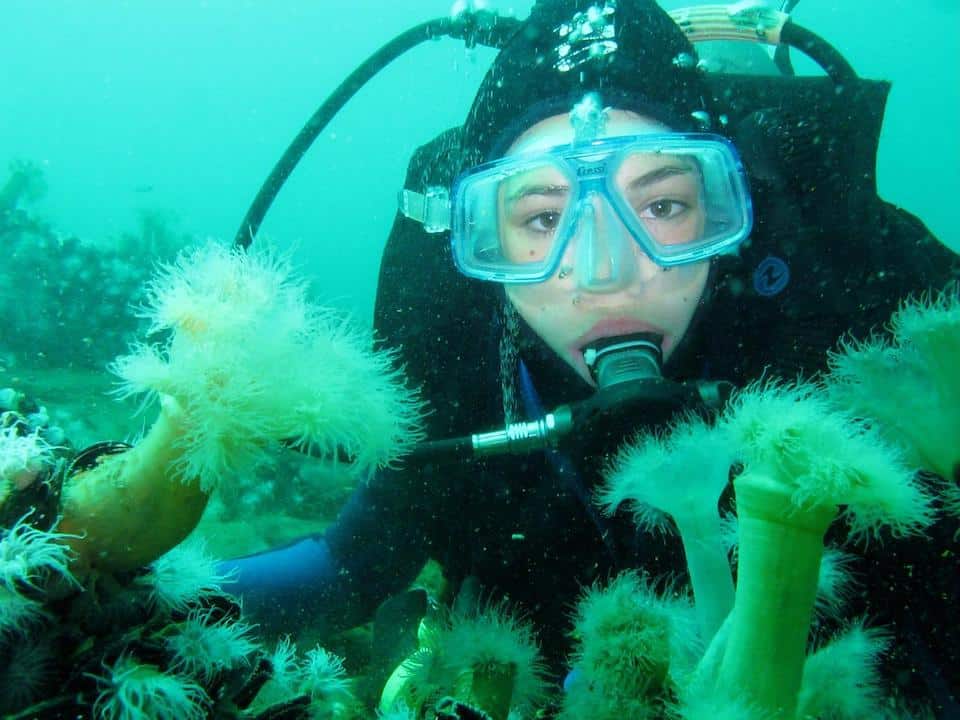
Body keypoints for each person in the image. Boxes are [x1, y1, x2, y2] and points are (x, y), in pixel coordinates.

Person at [228, 0, 959, 713]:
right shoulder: (460, 362)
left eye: (663, 206)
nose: (606, 270)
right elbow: (350, 564)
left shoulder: (845, 332)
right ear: (485, 246)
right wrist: (132, 578)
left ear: (727, 214)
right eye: (544, 219)